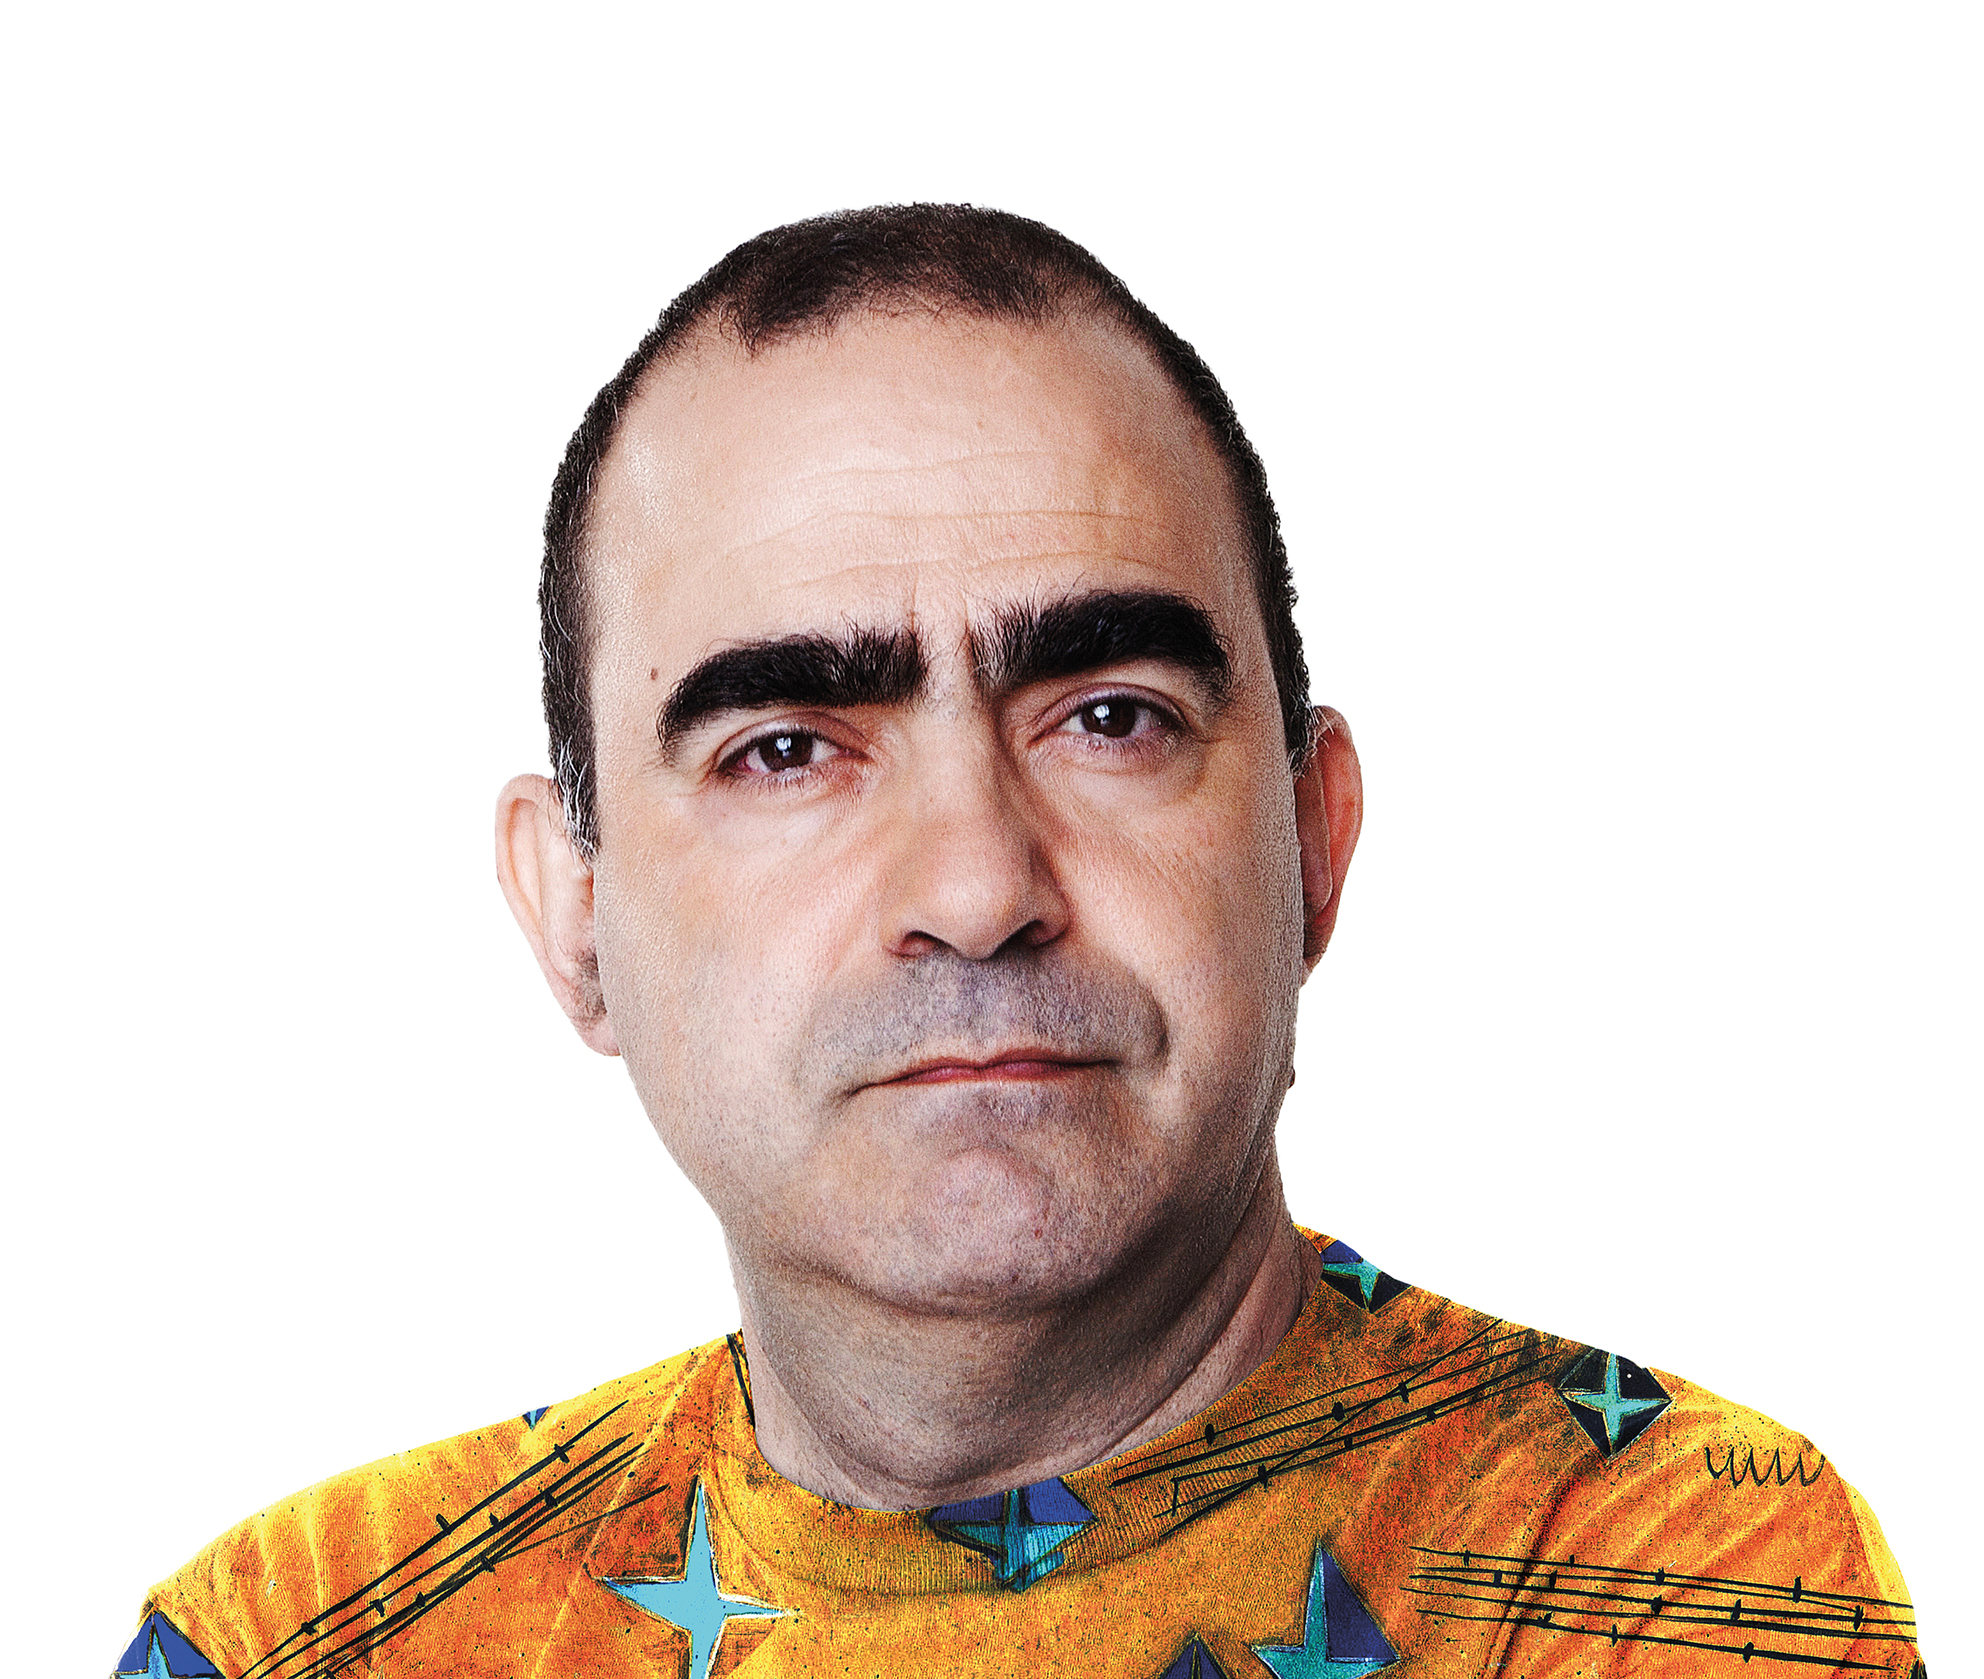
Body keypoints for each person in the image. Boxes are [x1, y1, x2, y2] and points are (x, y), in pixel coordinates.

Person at [115, 205, 1923, 1679]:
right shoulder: (308, 1633)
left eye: (1110, 717)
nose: (978, 885)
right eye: (787, 750)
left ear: (1312, 840)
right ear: (574, 913)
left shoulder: (1668, 1568)